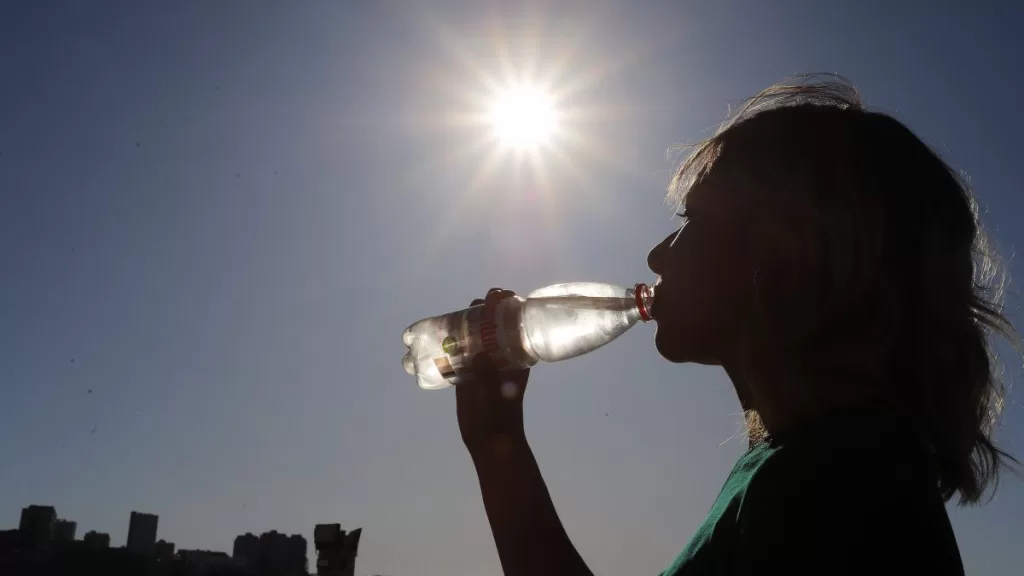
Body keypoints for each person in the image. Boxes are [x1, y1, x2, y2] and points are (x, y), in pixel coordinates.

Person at [455, 77, 1019, 575]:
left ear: (782, 257)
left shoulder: (833, 491)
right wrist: (498, 445)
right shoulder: (808, 468)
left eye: (693, 220)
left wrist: (499, 451)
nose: (656, 255)